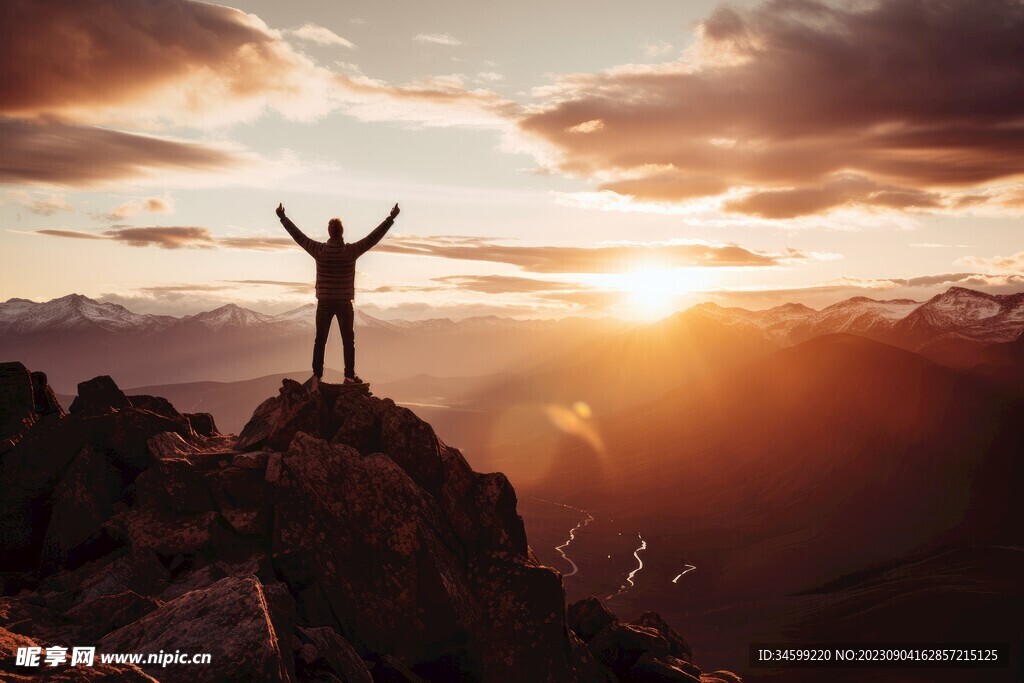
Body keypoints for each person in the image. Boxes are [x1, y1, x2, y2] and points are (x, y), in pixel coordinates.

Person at [275, 202, 400, 386]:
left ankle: (317, 376)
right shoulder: (351, 251)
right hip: (344, 302)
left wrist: (283, 218)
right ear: (342, 232)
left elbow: (298, 237)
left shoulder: (319, 251)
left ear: (329, 232)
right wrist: (390, 218)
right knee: (348, 341)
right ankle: (349, 376)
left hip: (324, 302)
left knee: (320, 340)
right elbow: (373, 237)